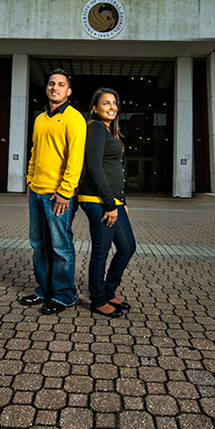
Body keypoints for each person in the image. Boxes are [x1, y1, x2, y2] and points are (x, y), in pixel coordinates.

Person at [19, 69, 87, 315]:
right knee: (39, 244)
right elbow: (35, 153)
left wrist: (65, 192)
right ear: (47, 88)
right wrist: (29, 181)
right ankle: (44, 290)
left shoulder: (74, 118)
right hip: (37, 192)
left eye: (60, 84)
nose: (54, 87)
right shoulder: (40, 118)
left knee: (60, 246)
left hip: (58, 195)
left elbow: (75, 160)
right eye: (51, 84)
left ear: (68, 91)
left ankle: (65, 295)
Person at [77, 87, 136, 318]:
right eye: (105, 103)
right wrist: (110, 205)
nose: (112, 107)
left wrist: (121, 201)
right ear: (95, 108)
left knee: (127, 247)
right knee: (101, 251)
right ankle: (98, 299)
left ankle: (108, 290)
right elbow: (94, 167)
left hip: (112, 200)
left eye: (114, 103)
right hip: (97, 200)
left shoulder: (110, 132)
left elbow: (114, 171)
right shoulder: (97, 128)